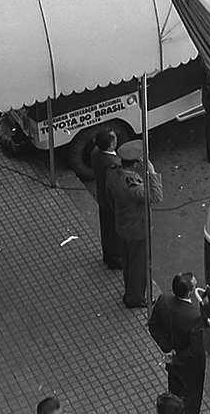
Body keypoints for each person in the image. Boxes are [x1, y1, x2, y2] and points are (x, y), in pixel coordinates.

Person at [107, 139, 163, 308]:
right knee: (139, 267)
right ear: (137, 163)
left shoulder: (112, 174)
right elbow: (156, 197)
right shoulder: (133, 187)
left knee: (128, 263)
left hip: (122, 225)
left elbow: (109, 198)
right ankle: (136, 298)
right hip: (138, 231)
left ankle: (130, 292)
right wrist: (152, 173)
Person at [148, 273, 205, 414]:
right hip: (190, 368)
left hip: (174, 363)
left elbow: (153, 326)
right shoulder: (194, 317)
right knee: (191, 398)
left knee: (174, 390)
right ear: (190, 292)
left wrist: (167, 349)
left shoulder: (164, 300)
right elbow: (196, 351)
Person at [89, 128, 122, 270]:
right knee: (114, 232)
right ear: (110, 145)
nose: (116, 140)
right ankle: (115, 260)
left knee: (106, 229)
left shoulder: (96, 153)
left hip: (102, 197)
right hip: (111, 202)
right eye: (114, 139)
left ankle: (108, 255)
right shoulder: (113, 163)